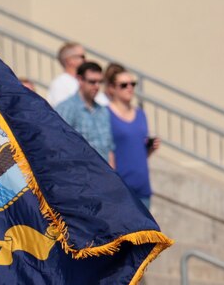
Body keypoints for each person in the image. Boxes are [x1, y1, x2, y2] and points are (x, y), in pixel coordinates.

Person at [104, 63, 157, 209]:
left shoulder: (140, 113)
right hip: (120, 189)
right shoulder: (104, 114)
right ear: (111, 88)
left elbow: (138, 152)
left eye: (133, 84)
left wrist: (150, 148)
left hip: (142, 187)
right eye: (123, 85)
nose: (130, 88)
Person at [55, 61, 114, 167]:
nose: (96, 86)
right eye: (92, 82)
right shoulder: (67, 108)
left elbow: (109, 148)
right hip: (81, 174)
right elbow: (59, 145)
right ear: (79, 79)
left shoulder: (103, 110)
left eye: (99, 82)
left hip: (104, 174)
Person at [46, 42, 85, 107]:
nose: (85, 60)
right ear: (69, 60)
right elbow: (61, 111)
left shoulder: (82, 81)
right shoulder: (60, 83)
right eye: (82, 57)